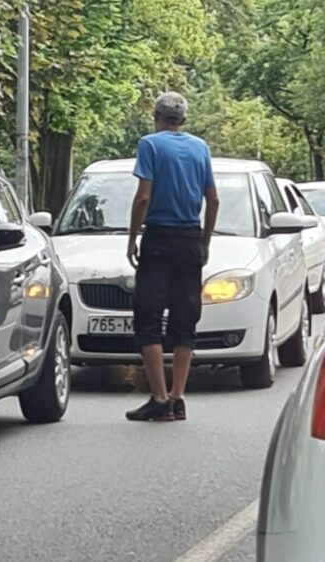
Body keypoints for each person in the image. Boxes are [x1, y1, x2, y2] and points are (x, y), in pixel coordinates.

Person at [125, 92, 220, 422]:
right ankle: (179, 397)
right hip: (191, 237)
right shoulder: (200, 148)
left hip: (160, 237)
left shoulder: (150, 145)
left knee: (148, 317)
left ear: (156, 116)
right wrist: (204, 241)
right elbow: (214, 199)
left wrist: (133, 238)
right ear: (183, 119)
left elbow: (143, 197)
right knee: (185, 317)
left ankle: (159, 397)